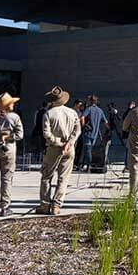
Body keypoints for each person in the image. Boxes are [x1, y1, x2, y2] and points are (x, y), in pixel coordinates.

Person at [38, 86, 81, 215]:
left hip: (53, 148)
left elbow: (46, 133)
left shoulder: (48, 113)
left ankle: (45, 205)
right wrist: (69, 143)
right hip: (69, 149)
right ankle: (57, 205)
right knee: (64, 177)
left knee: (46, 176)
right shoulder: (72, 113)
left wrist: (57, 142)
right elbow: (77, 130)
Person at [80, 95, 106, 172]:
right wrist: (108, 129)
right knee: (89, 149)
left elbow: (82, 117)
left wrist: (83, 125)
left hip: (88, 132)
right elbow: (105, 122)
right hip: (94, 134)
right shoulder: (100, 110)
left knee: (87, 149)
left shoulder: (89, 109)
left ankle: (88, 166)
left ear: (90, 101)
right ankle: (85, 165)